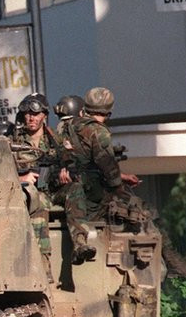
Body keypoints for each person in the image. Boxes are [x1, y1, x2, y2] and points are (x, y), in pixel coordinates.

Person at [65, 87, 141, 264]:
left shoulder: (70, 126)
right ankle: (165, 265)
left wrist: (123, 176)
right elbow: (106, 165)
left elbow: (81, 160)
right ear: (109, 112)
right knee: (140, 210)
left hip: (74, 186)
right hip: (92, 193)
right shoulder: (99, 132)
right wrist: (119, 186)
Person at [12, 93, 70, 269]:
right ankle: (43, 264)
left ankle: (81, 242)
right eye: (27, 113)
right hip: (30, 193)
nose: (31, 117)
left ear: (44, 115)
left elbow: (72, 164)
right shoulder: (13, 141)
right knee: (37, 200)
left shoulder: (56, 141)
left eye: (35, 114)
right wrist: (21, 178)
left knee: (77, 192)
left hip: (55, 189)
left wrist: (66, 171)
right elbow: (0, 171)